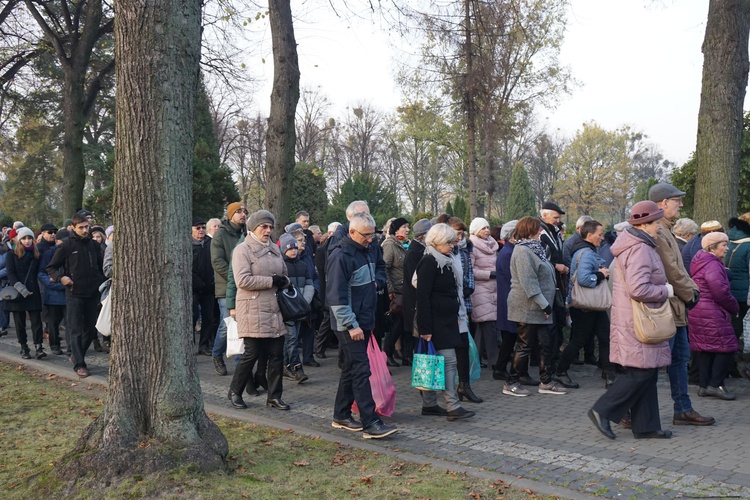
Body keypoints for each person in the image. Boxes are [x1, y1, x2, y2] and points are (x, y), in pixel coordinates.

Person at [588, 200, 674, 440]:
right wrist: (665, 291)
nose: (659, 227)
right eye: (657, 222)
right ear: (645, 224)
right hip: (639, 320)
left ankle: (646, 426)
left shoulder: (637, 244)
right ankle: (602, 410)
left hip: (633, 319)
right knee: (641, 373)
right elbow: (638, 288)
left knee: (646, 372)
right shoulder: (641, 248)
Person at [648, 182, 715, 426]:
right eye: (677, 200)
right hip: (667, 307)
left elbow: (679, 270)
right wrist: (692, 294)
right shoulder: (659, 231)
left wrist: (690, 292)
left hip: (676, 307)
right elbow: (672, 271)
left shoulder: (665, 230)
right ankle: (631, 410)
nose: (681, 204)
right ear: (663, 203)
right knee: (654, 364)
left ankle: (683, 409)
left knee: (679, 359)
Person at [327, 212, 397, 439]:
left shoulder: (365, 250)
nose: (371, 239)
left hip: (364, 320)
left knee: (350, 367)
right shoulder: (341, 256)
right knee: (360, 369)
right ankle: (371, 422)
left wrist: (377, 282)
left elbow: (378, 267)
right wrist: (351, 324)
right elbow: (336, 297)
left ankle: (341, 414)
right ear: (352, 232)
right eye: (366, 235)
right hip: (349, 324)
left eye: (372, 234)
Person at [227, 210, 291, 411]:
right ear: (253, 228)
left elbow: (285, 276)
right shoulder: (242, 250)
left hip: (274, 309)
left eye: (271, 227)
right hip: (252, 308)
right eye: (264, 226)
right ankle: (235, 391)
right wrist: (272, 281)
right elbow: (242, 280)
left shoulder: (275, 248)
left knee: (276, 355)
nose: (268, 230)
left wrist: (284, 281)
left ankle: (274, 396)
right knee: (251, 354)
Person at [416, 223, 476, 421]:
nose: (453, 245)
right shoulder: (429, 262)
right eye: (449, 242)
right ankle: (452, 405)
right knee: (448, 361)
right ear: (437, 242)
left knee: (435, 362)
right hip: (435, 321)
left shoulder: (446, 260)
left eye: (453, 241)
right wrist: (425, 328)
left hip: (448, 319)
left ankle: (430, 404)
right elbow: (422, 297)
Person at [503, 216, 567, 397]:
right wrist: (545, 305)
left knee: (545, 344)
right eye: (537, 229)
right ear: (529, 231)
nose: (540, 232)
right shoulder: (523, 251)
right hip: (528, 306)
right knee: (524, 345)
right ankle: (511, 382)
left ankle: (546, 381)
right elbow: (529, 283)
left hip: (539, 306)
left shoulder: (536, 249)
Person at [555, 220, 614, 389]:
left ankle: (609, 373)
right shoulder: (586, 253)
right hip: (585, 306)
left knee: (604, 338)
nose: (602, 238)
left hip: (590, 305)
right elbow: (584, 279)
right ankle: (560, 371)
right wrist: (602, 274)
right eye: (600, 234)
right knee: (579, 340)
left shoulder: (585, 250)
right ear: (589, 235)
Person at [46, 213, 105, 377]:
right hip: (74, 293)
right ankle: (80, 363)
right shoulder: (66, 245)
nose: (85, 230)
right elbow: (51, 267)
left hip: (93, 293)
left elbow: (101, 267)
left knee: (91, 329)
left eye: (87, 227)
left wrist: (101, 282)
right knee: (75, 329)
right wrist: (61, 278)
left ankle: (77, 355)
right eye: (81, 227)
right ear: (73, 227)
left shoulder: (94, 245)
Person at [688, 231, 739, 400]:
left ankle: (704, 386)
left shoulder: (701, 261)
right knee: (726, 347)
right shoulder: (713, 265)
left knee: (706, 349)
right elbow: (720, 291)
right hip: (712, 311)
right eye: (723, 245)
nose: (727, 248)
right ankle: (716, 385)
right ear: (712, 247)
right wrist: (734, 306)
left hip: (700, 310)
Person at [211, 202, 248, 376]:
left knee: (241, 327)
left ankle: (239, 364)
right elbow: (217, 261)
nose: (243, 214)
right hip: (226, 287)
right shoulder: (220, 234)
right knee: (227, 325)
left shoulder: (247, 233)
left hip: (244, 287)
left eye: (245, 211)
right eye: (239, 212)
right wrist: (236, 278)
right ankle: (217, 354)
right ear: (231, 214)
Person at [5, 227, 46, 360]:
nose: (27, 241)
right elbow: (10, 273)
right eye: (24, 238)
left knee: (36, 321)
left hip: (33, 291)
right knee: (19, 322)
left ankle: (39, 346)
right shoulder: (11, 254)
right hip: (18, 293)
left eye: (29, 238)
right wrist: (20, 288)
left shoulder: (36, 254)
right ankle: (24, 346)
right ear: (19, 240)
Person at [279, 233, 314, 383]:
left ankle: (286, 366)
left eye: (295, 248)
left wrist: (304, 301)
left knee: (293, 339)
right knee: (292, 338)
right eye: (290, 248)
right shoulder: (281, 266)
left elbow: (309, 284)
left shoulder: (302, 265)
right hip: (288, 309)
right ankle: (297, 368)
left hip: (300, 308)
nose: (293, 251)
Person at [468, 217, 499, 378]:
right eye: (483, 228)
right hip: (481, 289)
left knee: (483, 327)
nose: (487, 230)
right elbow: (470, 270)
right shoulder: (472, 246)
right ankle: (495, 362)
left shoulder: (491, 245)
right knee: (489, 325)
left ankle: (474, 360)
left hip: (493, 289)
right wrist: (489, 274)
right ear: (475, 231)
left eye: (487, 227)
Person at [382, 217, 412, 367]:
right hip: (397, 292)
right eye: (404, 227)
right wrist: (390, 289)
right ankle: (386, 354)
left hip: (406, 290)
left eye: (408, 227)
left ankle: (407, 355)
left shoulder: (405, 244)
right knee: (396, 326)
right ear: (396, 229)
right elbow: (385, 268)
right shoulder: (390, 245)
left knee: (406, 325)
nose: (407, 230)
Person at [494, 220, 517, 381]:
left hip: (507, 299)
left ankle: (501, 367)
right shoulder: (508, 254)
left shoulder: (508, 252)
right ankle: (500, 368)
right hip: (508, 300)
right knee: (509, 337)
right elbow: (513, 278)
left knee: (510, 338)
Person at [402, 219, 431, 347]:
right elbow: (417, 281)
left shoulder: (421, 250)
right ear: (424, 235)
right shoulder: (415, 252)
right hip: (415, 301)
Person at [38, 229, 67, 355]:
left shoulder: (71, 253)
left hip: (69, 294)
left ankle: (72, 346)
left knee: (71, 322)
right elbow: (41, 273)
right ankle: (55, 345)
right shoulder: (49, 254)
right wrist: (58, 284)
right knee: (53, 322)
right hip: (53, 294)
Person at [726, 213, 750, 364]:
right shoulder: (748, 245)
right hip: (744, 293)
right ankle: (733, 363)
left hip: (732, 290)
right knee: (739, 328)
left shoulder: (731, 241)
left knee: (733, 326)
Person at [192, 218, 215, 356]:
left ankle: (204, 345)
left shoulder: (210, 243)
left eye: (203, 227)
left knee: (208, 317)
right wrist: (197, 282)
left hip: (209, 286)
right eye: (198, 228)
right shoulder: (187, 244)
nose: (201, 230)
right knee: (192, 315)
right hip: (193, 287)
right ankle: (189, 344)